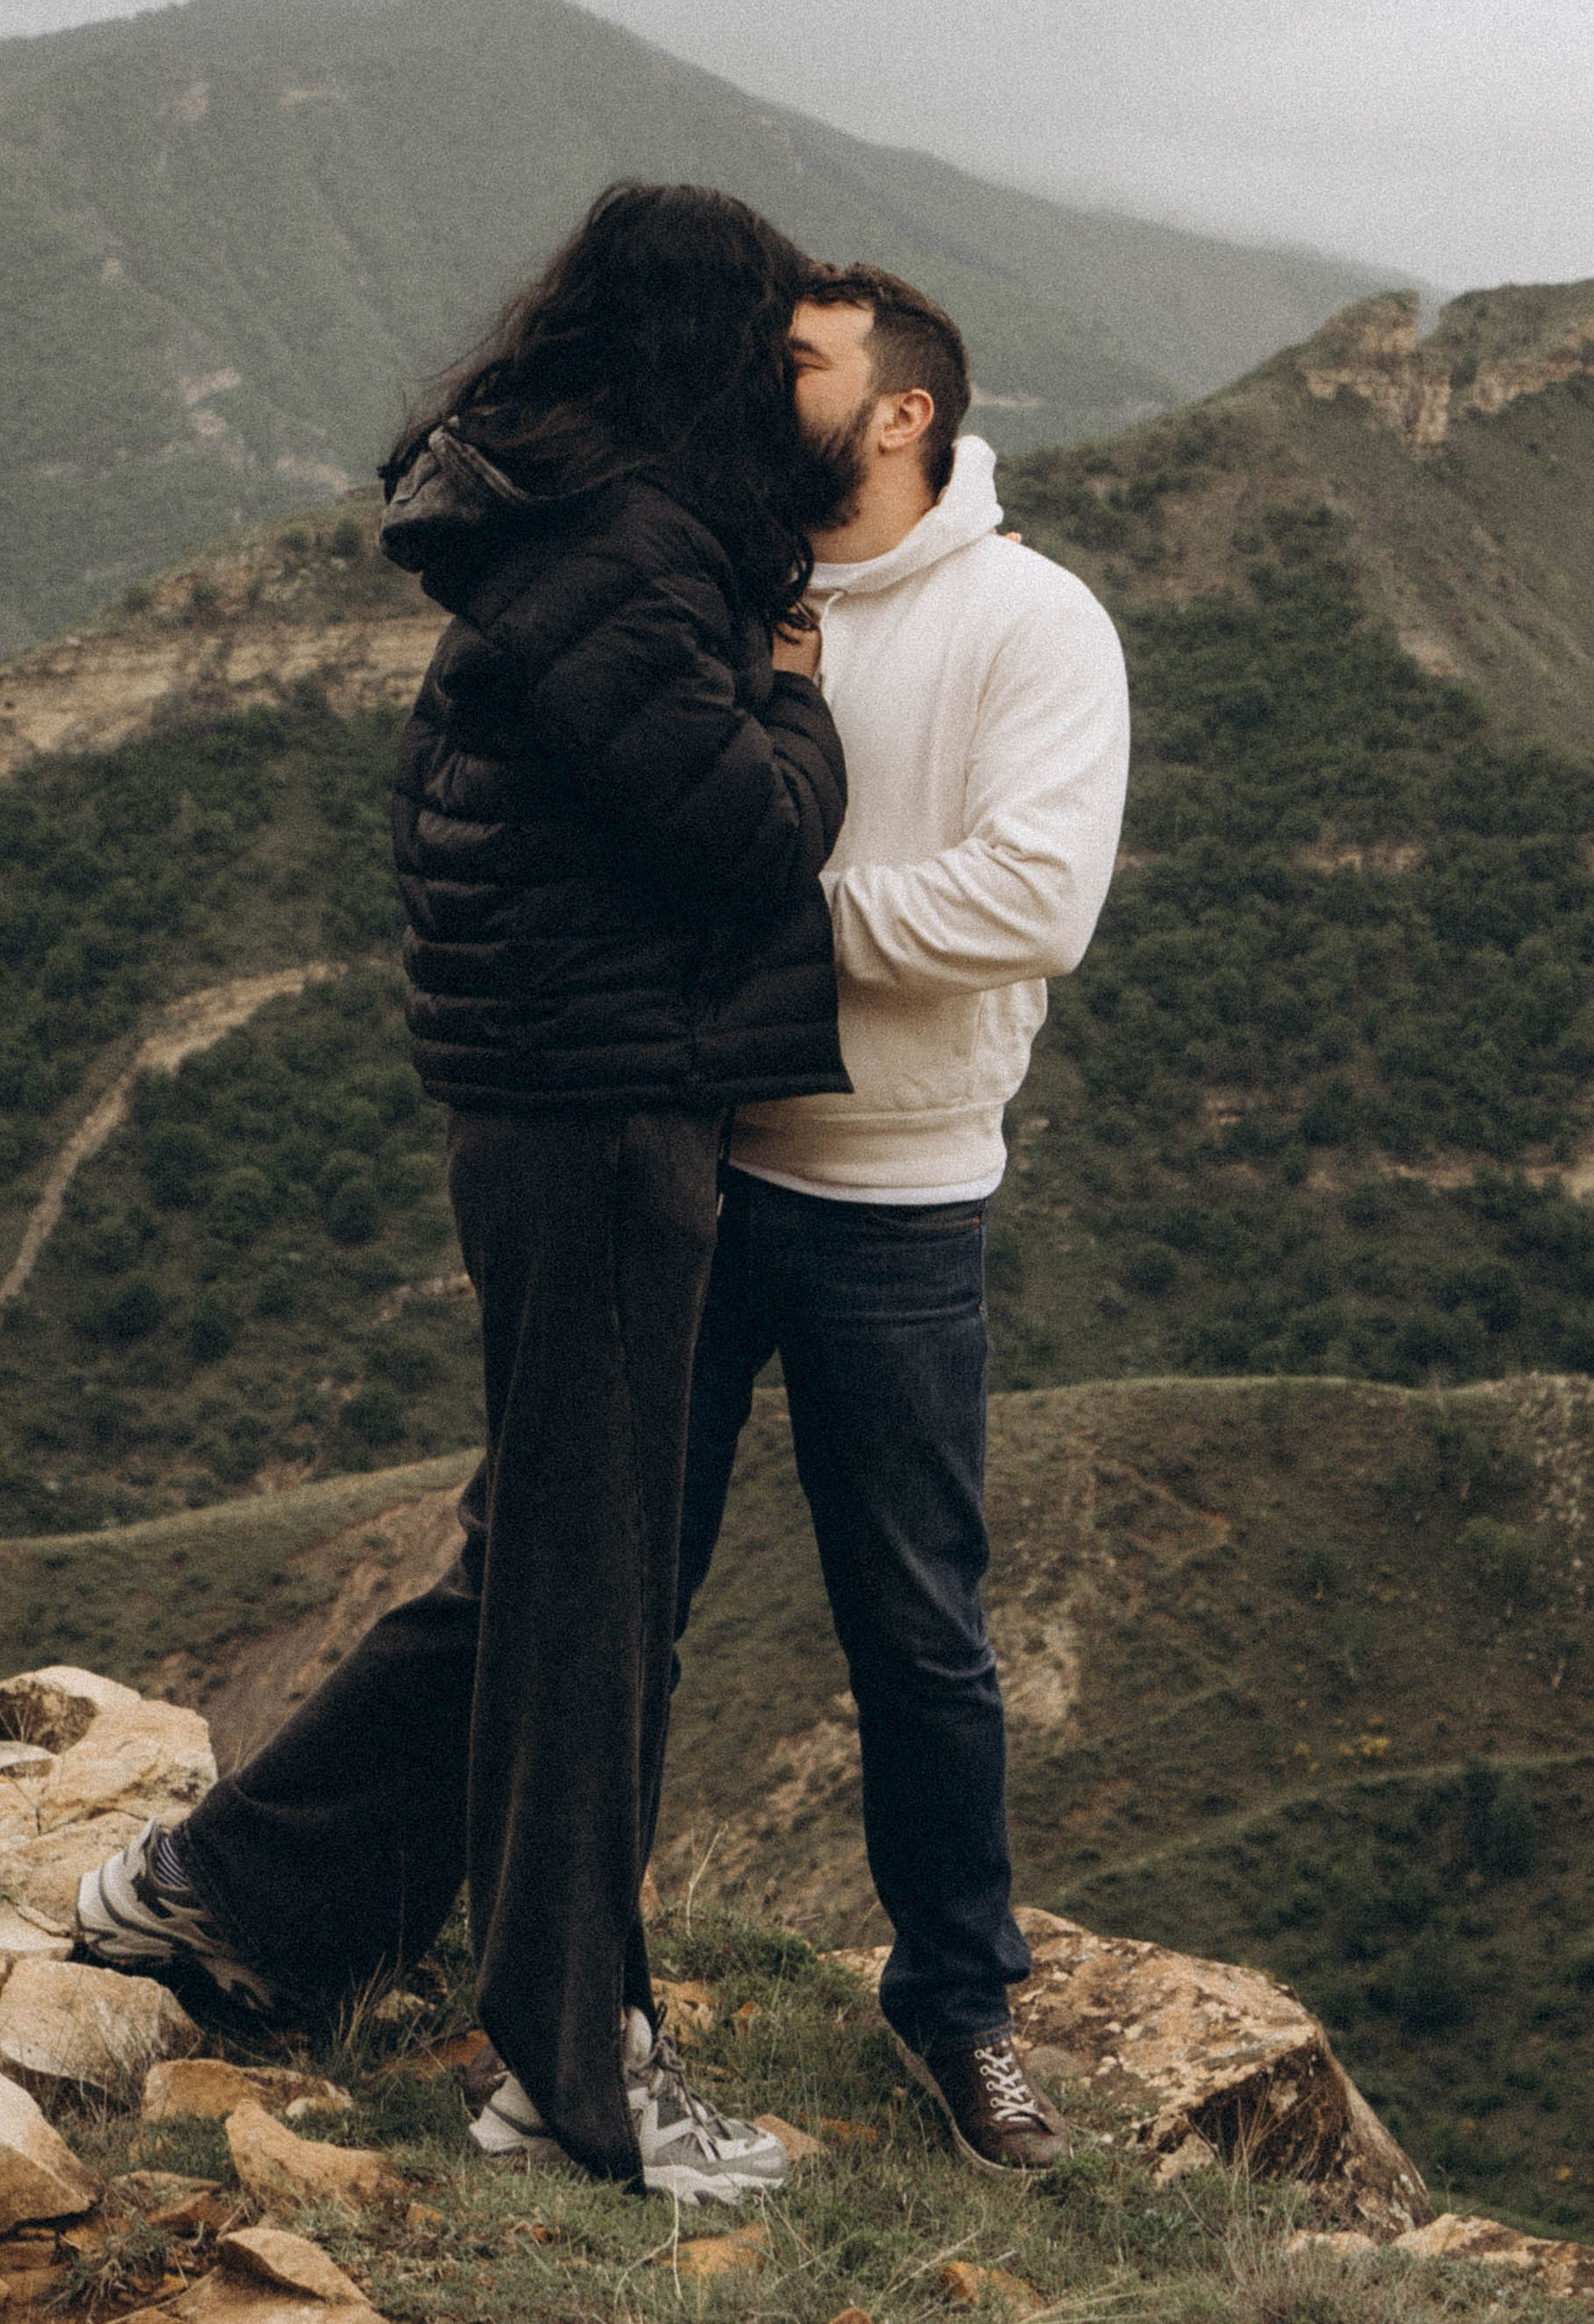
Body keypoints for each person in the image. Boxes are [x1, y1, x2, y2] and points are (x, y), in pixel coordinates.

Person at [74, 184, 852, 2204]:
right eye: (771, 351)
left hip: (560, 1100)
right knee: (591, 1610)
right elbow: (748, 839)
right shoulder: (632, 559)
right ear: (702, 350)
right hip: (599, 1117)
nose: (792, 395)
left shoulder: (568, 525)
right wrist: (796, 684)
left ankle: (218, 1885)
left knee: (541, 1564)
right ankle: (573, 2070)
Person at [666, 262, 1130, 2172]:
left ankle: (956, 2015)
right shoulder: (719, 588)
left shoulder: (1031, 621)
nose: (755, 380)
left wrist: (779, 927)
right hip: (687, 1170)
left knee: (917, 1638)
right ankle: (564, 1977)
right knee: (623, 1598)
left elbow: (1032, 900)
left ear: (896, 415)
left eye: (794, 361)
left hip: (895, 1198)